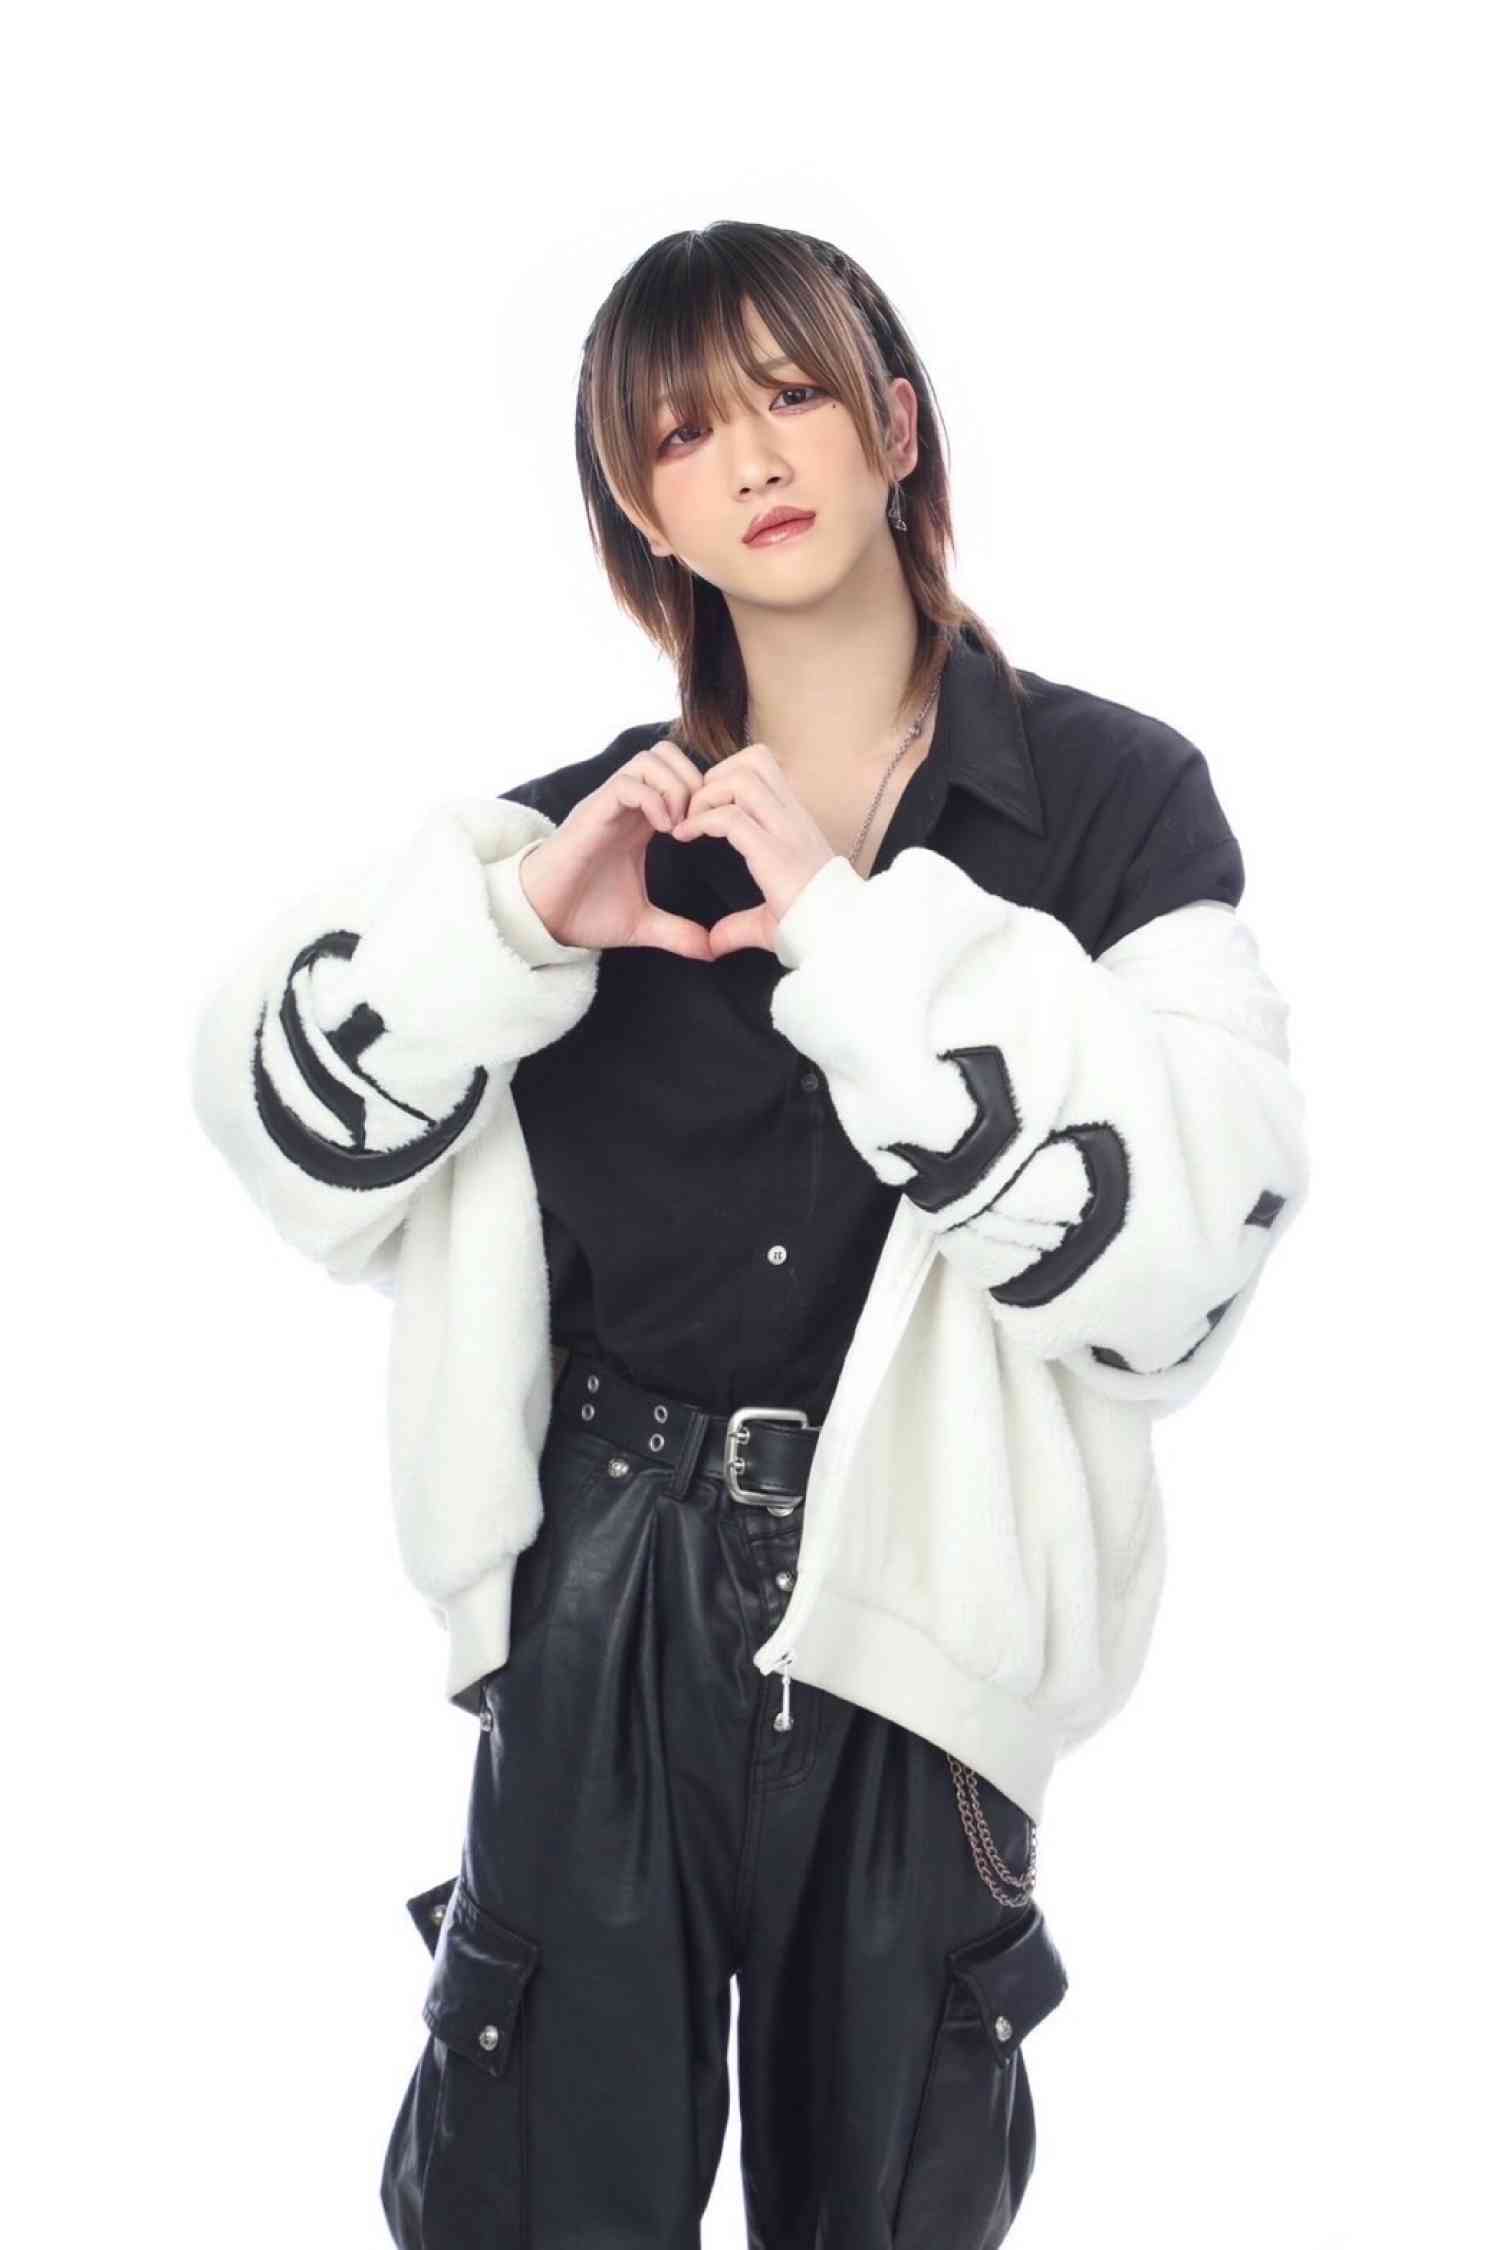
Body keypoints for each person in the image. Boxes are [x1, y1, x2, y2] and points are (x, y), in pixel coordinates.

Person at [190, 221, 1309, 2249]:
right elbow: (286, 1150)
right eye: (686, 431)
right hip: (602, 1590)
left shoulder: (1112, 805)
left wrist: (854, 941)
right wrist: (512, 929)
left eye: (795, 394)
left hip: (928, 1609)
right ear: (643, 506)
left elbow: (1184, 1280)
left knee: (886, 2198)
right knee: (536, 2201)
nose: (757, 459)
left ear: (897, 426)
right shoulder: (573, 842)